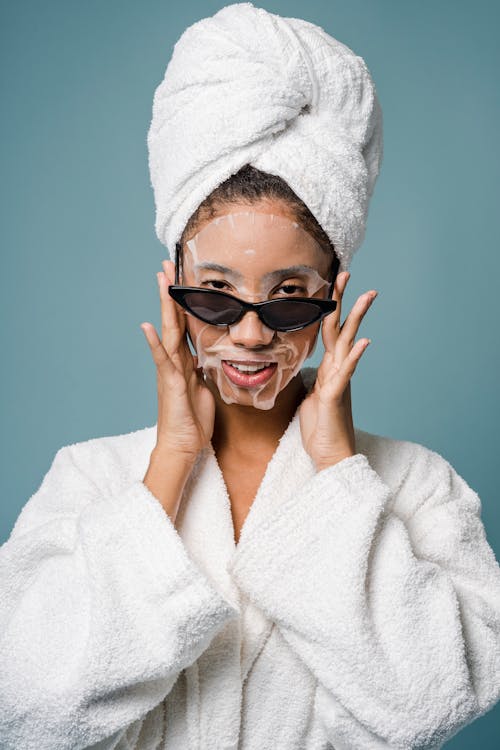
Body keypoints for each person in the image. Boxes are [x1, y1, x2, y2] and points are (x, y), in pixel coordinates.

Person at [1, 4, 500, 750]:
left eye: (290, 295)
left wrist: (335, 472)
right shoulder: (90, 480)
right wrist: (170, 462)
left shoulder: (417, 487)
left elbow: (432, 703)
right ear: (172, 283)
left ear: (335, 293)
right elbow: (29, 707)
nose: (250, 334)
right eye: (214, 294)